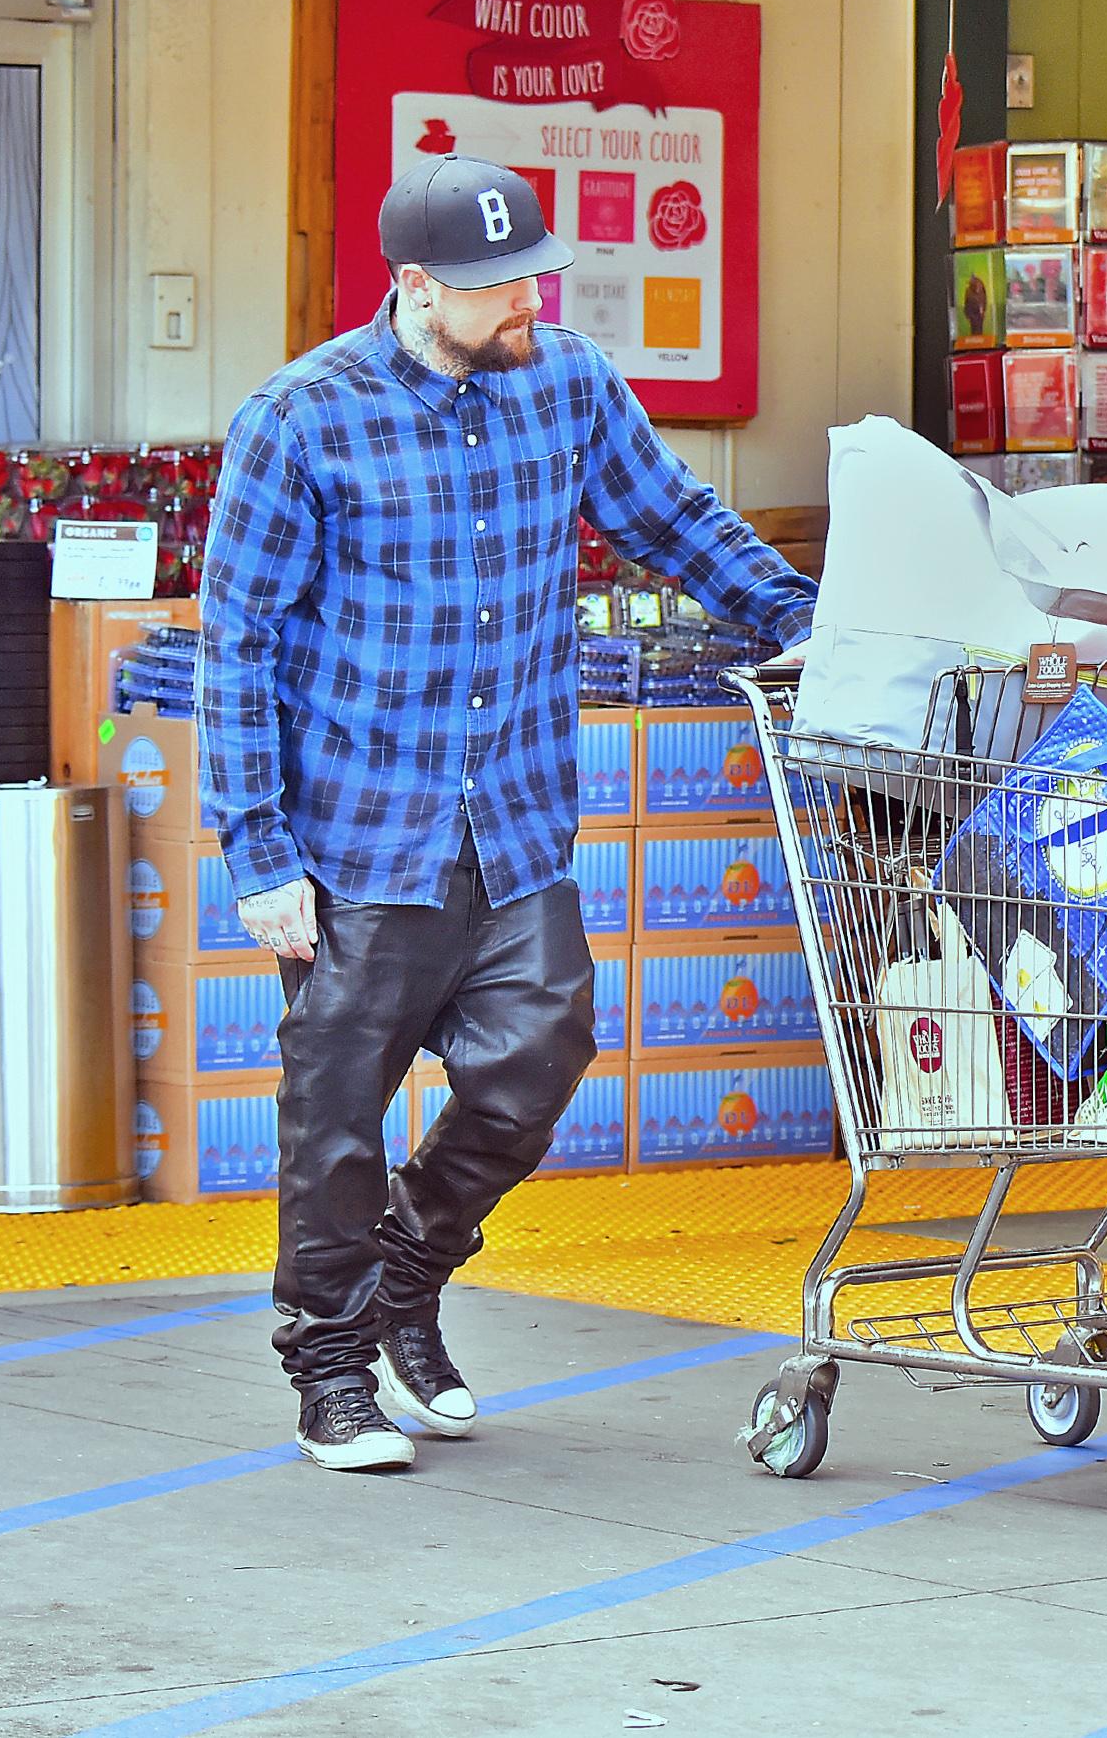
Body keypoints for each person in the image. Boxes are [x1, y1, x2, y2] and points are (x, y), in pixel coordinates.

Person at [199, 156, 816, 1474]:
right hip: (359, 834)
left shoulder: (569, 382)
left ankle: (407, 1274)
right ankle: (330, 1377)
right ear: (415, 286)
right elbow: (235, 647)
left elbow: (671, 517)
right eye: (495, 285)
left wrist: (800, 618)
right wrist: (257, 852)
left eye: (536, 270)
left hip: (519, 821)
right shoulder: (300, 418)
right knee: (334, 1113)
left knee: (542, 1059)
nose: (531, 297)